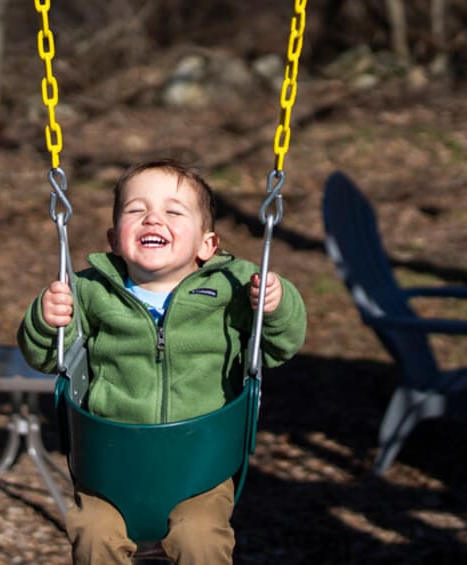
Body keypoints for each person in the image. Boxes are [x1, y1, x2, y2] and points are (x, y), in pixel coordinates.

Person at [18, 159, 307, 564]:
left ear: (207, 245)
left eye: (173, 211)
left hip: (199, 470)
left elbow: (281, 346)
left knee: (200, 539)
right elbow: (47, 358)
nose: (153, 218)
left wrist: (274, 307)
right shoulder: (89, 290)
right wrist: (46, 320)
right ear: (114, 239)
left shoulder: (232, 286)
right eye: (136, 210)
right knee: (91, 532)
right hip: (110, 469)